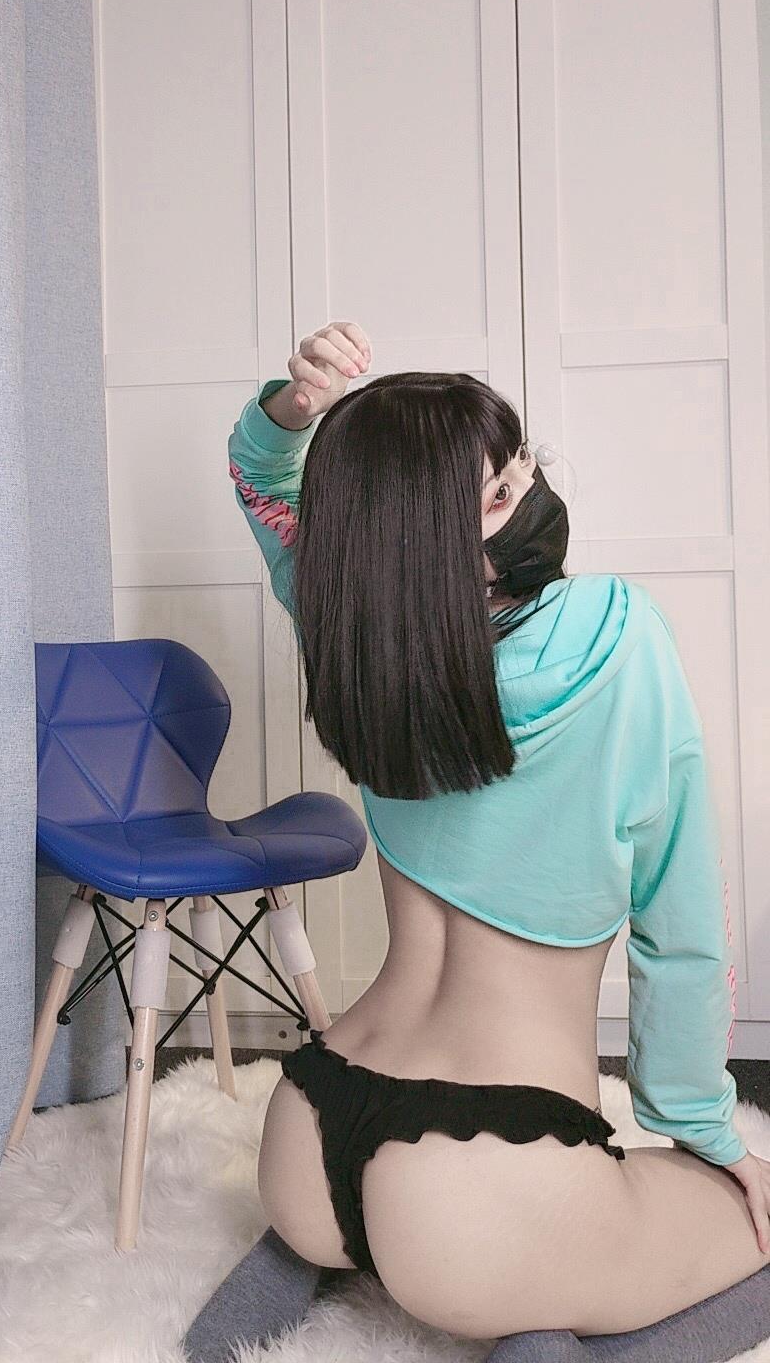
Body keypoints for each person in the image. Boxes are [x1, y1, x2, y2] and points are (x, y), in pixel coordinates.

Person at [182, 321, 770, 1362]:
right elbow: (680, 924)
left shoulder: (352, 629)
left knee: (433, 1236)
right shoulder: (616, 637)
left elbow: (260, 483)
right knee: (745, 1219)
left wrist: (291, 413)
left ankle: (312, 1251)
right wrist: (709, 1133)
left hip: (314, 1121)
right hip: (487, 1174)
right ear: (427, 546)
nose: (532, 490)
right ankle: (534, 1327)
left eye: (520, 464)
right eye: (499, 495)